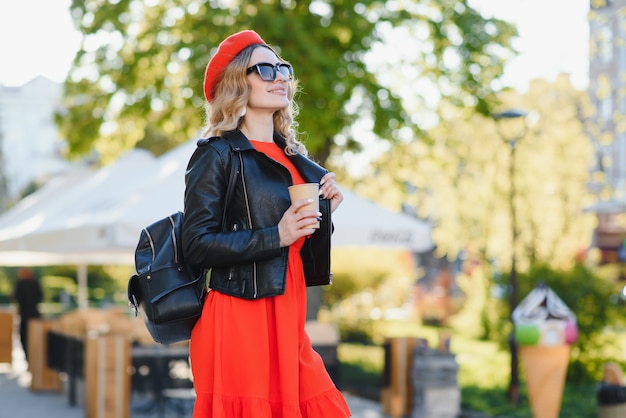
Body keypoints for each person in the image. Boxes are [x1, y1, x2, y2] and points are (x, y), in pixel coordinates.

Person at [181, 30, 352, 417]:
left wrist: (323, 216)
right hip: (238, 315)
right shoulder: (216, 154)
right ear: (239, 81)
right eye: (264, 69)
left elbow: (297, 245)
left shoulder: (297, 159)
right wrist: (277, 234)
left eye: (282, 68)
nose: (279, 77)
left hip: (288, 312)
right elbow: (196, 245)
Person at [12, 267, 43, 361]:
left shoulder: (21, 284)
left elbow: (15, 296)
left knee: (25, 337)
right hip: (34, 315)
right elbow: (40, 296)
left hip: (26, 315)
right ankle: (32, 359)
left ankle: (30, 358)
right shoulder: (34, 283)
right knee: (32, 338)